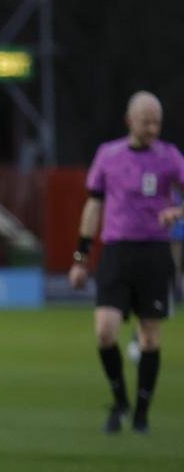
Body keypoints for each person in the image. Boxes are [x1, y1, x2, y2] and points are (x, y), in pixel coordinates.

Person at [68, 91, 183, 434]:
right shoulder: (109, 155)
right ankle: (120, 400)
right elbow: (93, 206)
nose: (152, 128)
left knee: (149, 337)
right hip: (117, 252)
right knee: (105, 331)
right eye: (146, 121)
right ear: (129, 121)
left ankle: (142, 413)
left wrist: (178, 212)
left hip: (154, 253)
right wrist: (80, 258)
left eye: (157, 122)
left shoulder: (170, 157)